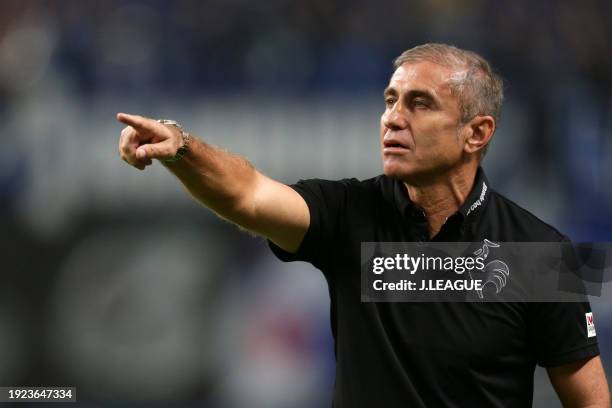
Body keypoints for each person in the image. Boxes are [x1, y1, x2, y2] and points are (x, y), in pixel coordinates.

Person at [117, 43, 609, 407]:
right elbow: (247, 194)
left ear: (476, 133)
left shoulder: (542, 253)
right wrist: (181, 146)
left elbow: (589, 399)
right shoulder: (349, 213)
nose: (393, 118)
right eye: (390, 100)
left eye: (419, 104)